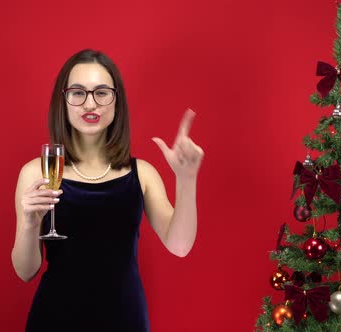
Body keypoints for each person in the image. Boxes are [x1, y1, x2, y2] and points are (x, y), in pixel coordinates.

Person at [11, 49, 204, 331]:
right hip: (55, 319)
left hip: (125, 320)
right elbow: (25, 271)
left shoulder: (143, 174)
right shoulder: (36, 172)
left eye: (102, 92)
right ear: (62, 101)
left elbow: (180, 246)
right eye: (78, 93)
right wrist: (30, 224)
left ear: (116, 102)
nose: (91, 104)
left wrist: (187, 181)